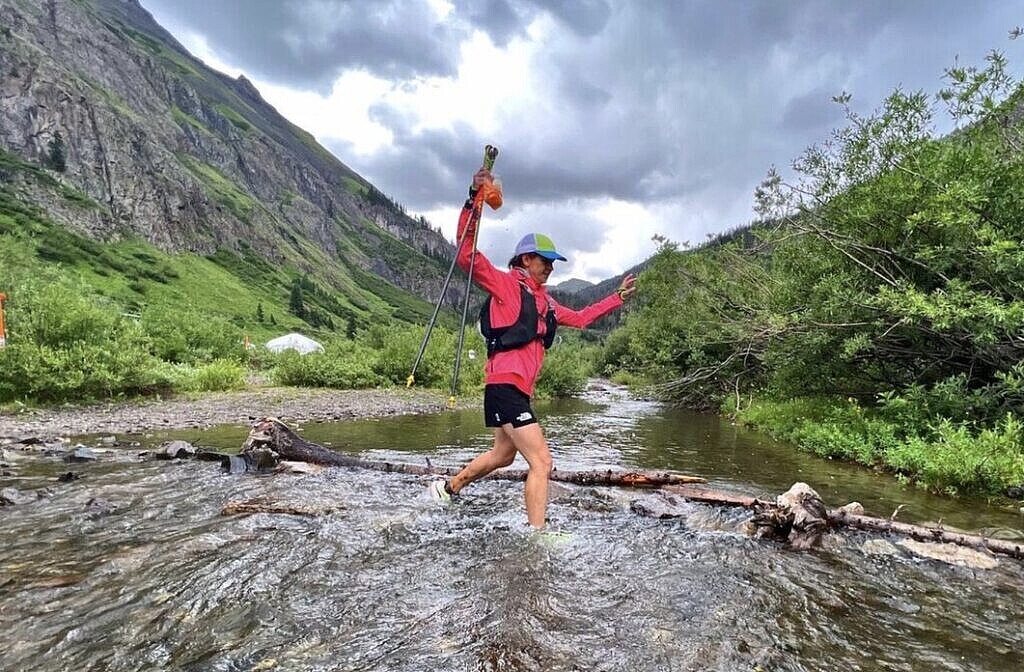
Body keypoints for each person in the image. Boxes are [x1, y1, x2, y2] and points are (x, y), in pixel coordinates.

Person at [429, 167, 636, 528]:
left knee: (502, 455)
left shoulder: (547, 302)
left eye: (553, 263)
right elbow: (466, 256)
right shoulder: (506, 285)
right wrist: (473, 200)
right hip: (504, 385)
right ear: (526, 259)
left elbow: (582, 318)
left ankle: (448, 488)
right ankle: (537, 534)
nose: (550, 268)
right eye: (545, 261)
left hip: (515, 390)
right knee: (542, 462)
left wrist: (616, 298)